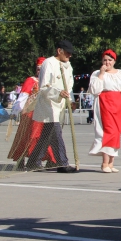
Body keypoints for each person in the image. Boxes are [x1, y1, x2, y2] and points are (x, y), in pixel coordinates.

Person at [29, 40, 78, 173]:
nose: (69, 56)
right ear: (59, 51)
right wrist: (58, 93)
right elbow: (44, 87)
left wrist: (71, 100)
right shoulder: (49, 63)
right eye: (67, 53)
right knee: (56, 133)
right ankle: (63, 163)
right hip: (49, 105)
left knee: (47, 135)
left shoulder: (68, 66)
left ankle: (33, 161)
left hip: (60, 105)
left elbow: (69, 86)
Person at [88, 49, 121, 172]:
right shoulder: (96, 73)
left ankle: (111, 163)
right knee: (108, 132)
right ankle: (105, 163)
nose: (107, 62)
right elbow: (94, 90)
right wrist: (101, 74)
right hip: (104, 104)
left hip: (118, 105)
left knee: (116, 132)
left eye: (110, 60)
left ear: (114, 61)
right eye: (105, 60)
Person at [7, 57, 54, 169]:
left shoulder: (49, 82)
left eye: (42, 69)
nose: (39, 71)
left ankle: (48, 159)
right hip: (31, 114)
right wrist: (16, 111)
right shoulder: (31, 80)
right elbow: (23, 97)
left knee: (47, 136)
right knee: (29, 136)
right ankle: (26, 159)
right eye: (38, 69)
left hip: (45, 114)